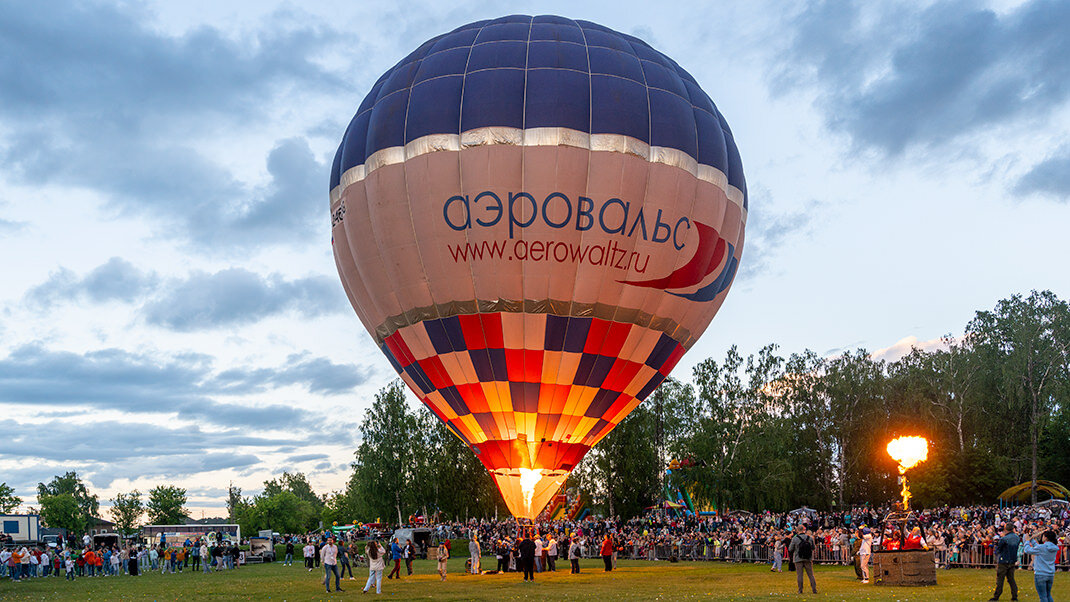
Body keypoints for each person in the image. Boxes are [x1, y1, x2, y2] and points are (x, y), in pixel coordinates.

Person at [1022, 529, 1059, 602]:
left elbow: (1027, 550)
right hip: (1050, 574)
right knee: (1048, 595)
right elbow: (1037, 546)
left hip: (1040, 574)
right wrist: (1031, 539)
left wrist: (1026, 541)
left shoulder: (1042, 548)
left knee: (1043, 597)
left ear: (1046, 538)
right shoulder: (1054, 547)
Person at [989, 524, 1020, 602]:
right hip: (1012, 560)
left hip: (1004, 560)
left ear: (1006, 529)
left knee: (1000, 579)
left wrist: (996, 545)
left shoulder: (1004, 538)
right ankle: (1014, 596)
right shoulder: (1017, 538)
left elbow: (998, 550)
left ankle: (996, 596)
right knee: (1011, 579)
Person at [789, 524, 818, 595]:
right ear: (804, 530)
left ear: (797, 530)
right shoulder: (809, 538)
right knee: (811, 574)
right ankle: (814, 589)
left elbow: (790, 549)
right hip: (808, 558)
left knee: (799, 575)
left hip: (798, 558)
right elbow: (813, 548)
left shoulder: (795, 538)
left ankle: (800, 590)